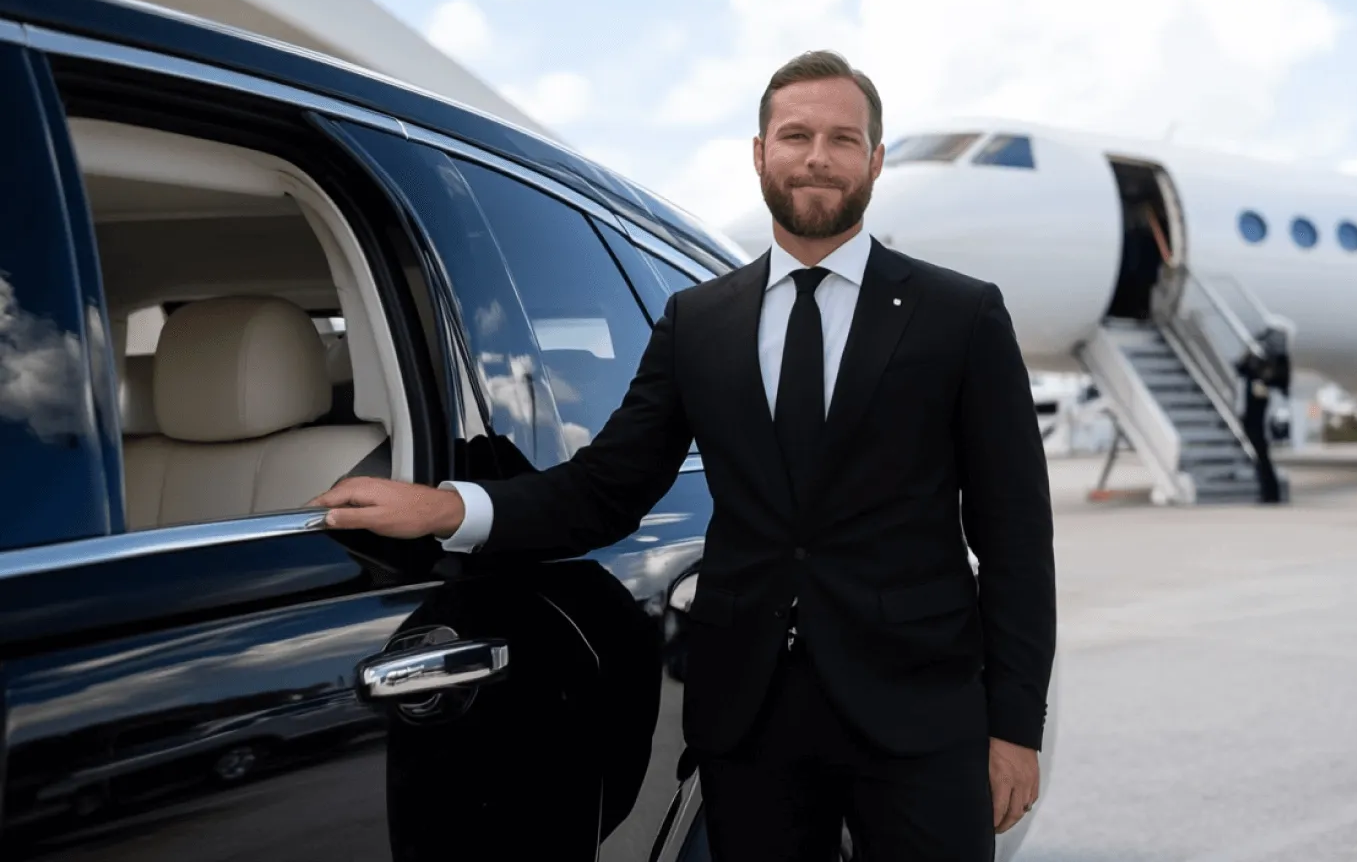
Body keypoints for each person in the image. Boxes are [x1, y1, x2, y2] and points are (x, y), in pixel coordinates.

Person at [307, 50, 1057, 861]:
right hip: (751, 722)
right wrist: (452, 508)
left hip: (920, 717)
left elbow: (1015, 540)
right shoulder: (697, 321)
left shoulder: (960, 314)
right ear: (759, 153)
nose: (816, 157)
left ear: (874, 161)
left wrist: (1014, 728)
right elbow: (606, 488)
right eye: (796, 135)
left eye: (843, 140)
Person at [1236, 326, 1290, 503]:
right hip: (1252, 411)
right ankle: (1266, 491)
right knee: (1259, 454)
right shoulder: (1262, 359)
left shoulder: (1278, 361)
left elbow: (1276, 382)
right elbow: (1240, 368)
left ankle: (1270, 493)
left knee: (1262, 454)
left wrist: (1259, 367)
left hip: (1261, 413)